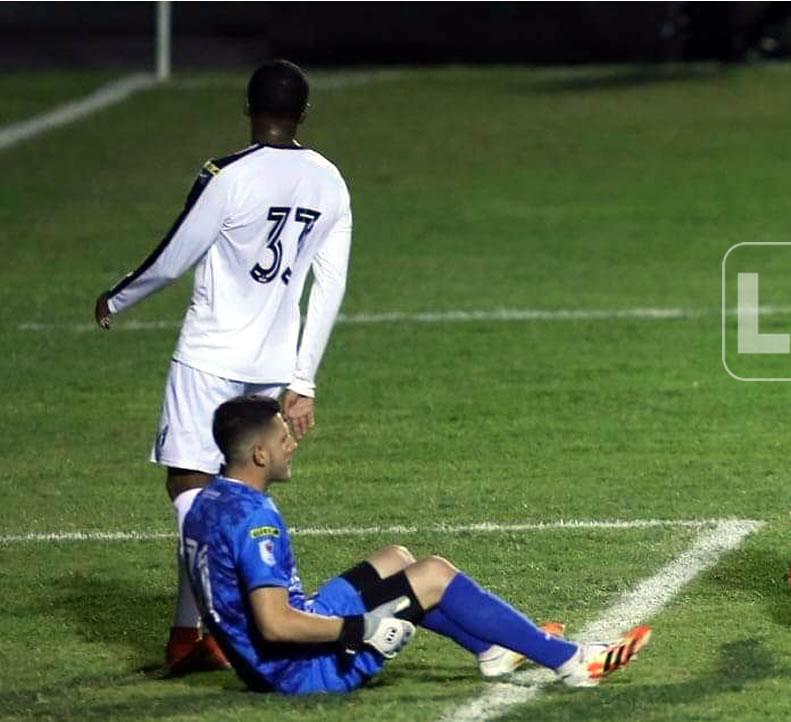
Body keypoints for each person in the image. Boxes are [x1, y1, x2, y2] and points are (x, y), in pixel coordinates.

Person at [93, 60, 353, 672]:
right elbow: (330, 286)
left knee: (190, 486)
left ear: (247, 107)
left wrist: (118, 296)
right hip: (272, 361)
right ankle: (205, 630)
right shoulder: (330, 181)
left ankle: (209, 630)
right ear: (304, 113)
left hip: (210, 355)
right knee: (238, 490)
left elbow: (174, 254)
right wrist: (302, 379)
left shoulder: (227, 175)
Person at [182, 395, 651, 694]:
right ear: (260, 454)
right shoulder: (255, 519)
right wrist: (360, 629)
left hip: (267, 660)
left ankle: (491, 652)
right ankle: (571, 661)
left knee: (397, 559)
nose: (293, 445)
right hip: (301, 671)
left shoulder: (209, 500)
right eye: (284, 439)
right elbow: (276, 624)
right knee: (434, 574)